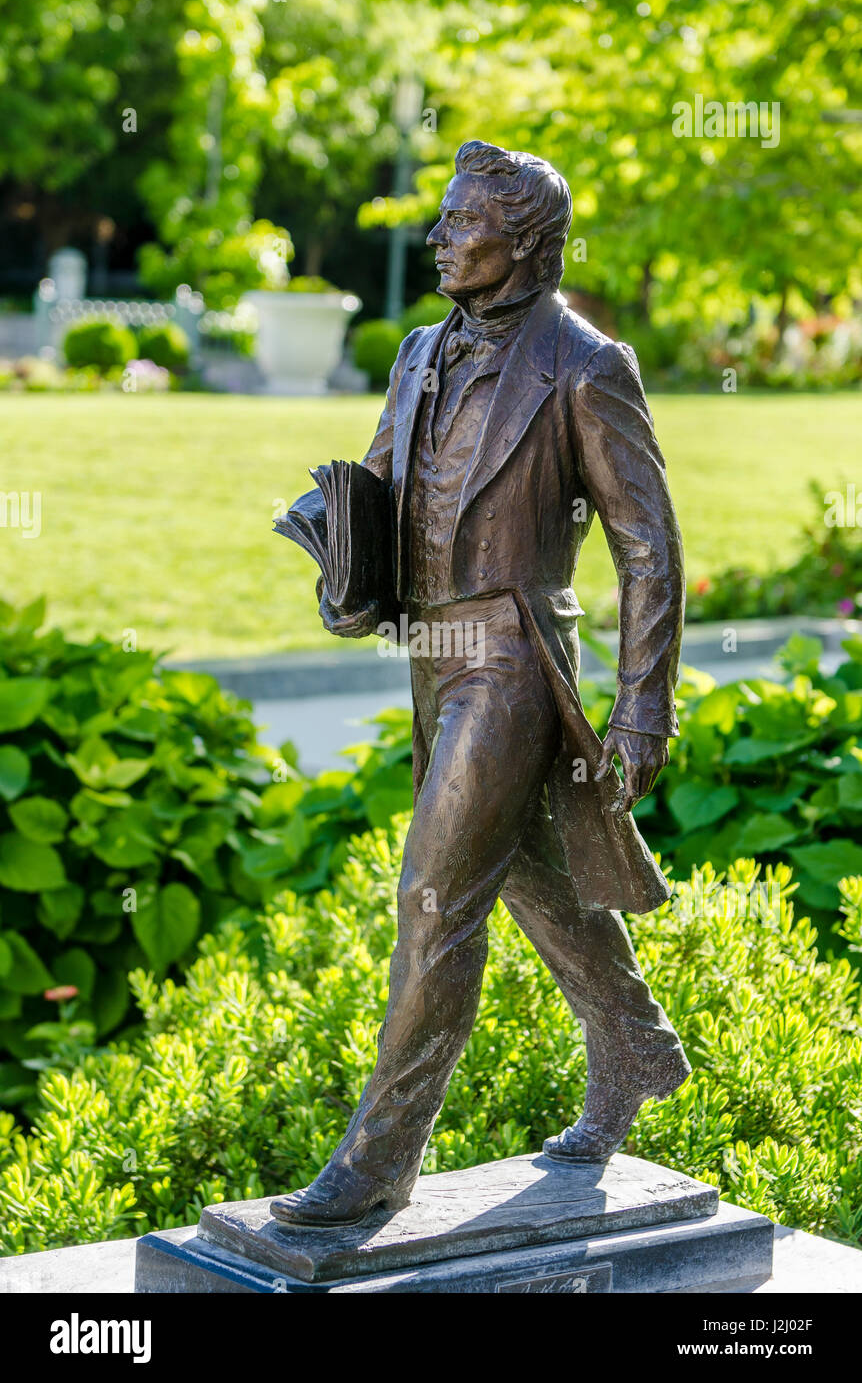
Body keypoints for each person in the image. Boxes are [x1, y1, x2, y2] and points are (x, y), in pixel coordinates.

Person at [273, 140, 690, 1228]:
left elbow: (647, 547)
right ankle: (637, 1044)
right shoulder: (420, 351)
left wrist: (643, 704)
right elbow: (380, 485)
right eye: (446, 217)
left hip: (511, 658)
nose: (440, 237)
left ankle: (377, 1160)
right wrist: (345, 567)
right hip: (431, 652)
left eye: (463, 223)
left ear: (529, 245)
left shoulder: (586, 365)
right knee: (526, 873)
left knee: (433, 897)